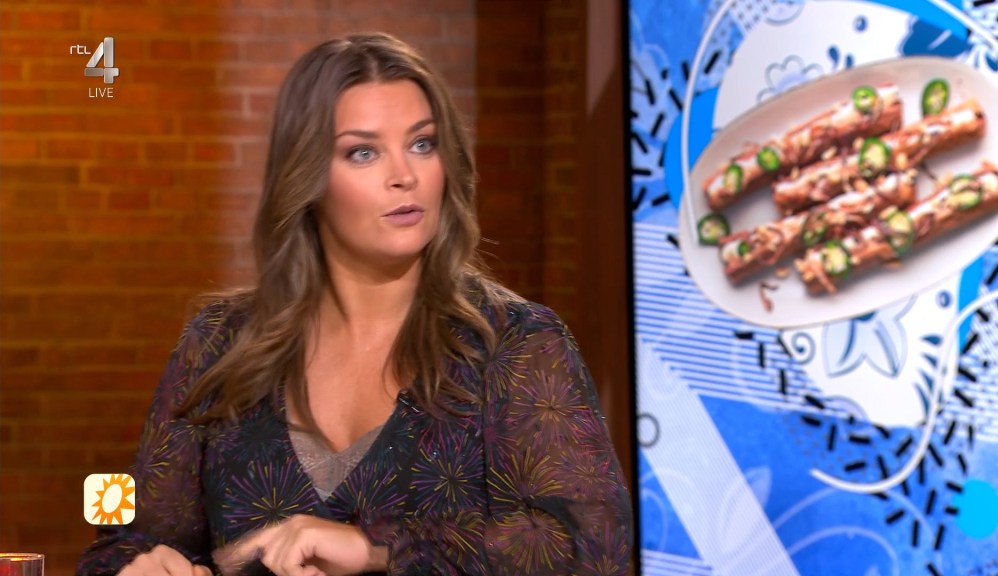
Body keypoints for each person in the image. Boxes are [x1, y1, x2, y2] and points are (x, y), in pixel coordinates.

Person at [77, 33, 633, 576]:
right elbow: (121, 539)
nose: (405, 176)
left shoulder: (513, 342)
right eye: (363, 152)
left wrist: (376, 548)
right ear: (307, 177)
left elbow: (592, 546)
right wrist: (137, 566)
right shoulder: (217, 342)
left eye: (423, 144)